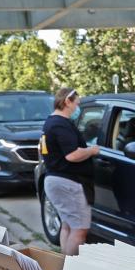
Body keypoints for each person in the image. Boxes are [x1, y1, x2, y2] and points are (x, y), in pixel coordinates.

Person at [40, 88, 100, 255]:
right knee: (80, 230)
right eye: (77, 104)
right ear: (67, 101)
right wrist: (92, 150)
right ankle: (69, 269)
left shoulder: (50, 122)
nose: (77, 108)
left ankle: (63, 264)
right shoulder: (60, 124)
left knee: (67, 225)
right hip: (68, 183)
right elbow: (72, 155)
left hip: (55, 180)